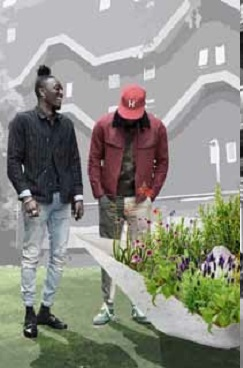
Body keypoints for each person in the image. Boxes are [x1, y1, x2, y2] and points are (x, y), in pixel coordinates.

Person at [7, 65, 85, 338]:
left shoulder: (67, 125)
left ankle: (45, 309)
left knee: (59, 257)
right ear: (42, 92)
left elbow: (74, 161)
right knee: (31, 257)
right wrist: (25, 196)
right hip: (36, 202)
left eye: (61, 88)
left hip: (62, 201)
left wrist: (78, 195)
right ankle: (29, 312)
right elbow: (13, 163)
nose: (61, 92)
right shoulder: (22, 122)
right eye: (57, 88)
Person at [88, 84, 169, 326]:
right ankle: (108, 305)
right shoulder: (103, 125)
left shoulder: (157, 128)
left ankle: (138, 304)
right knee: (109, 252)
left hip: (139, 200)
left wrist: (151, 193)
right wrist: (100, 194)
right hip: (110, 200)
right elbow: (93, 161)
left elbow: (162, 163)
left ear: (144, 108)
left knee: (139, 254)